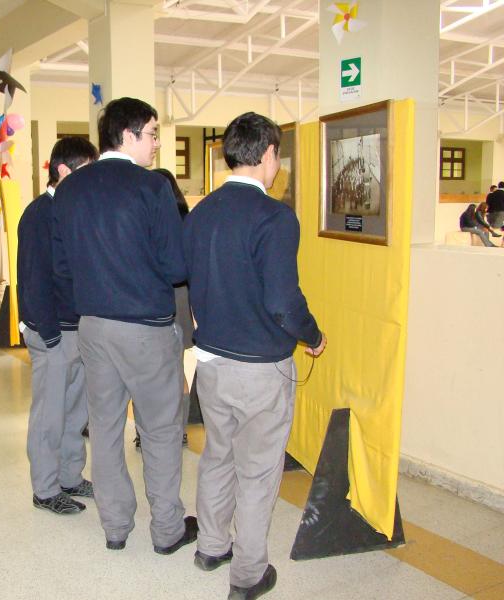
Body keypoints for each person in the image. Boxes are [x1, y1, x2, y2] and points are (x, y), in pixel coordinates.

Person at [183, 112, 326, 600]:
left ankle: (210, 545)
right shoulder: (276, 217)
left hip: (211, 364)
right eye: (277, 155)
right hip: (261, 369)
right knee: (260, 469)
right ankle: (247, 575)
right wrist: (312, 335)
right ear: (268, 154)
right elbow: (283, 300)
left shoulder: (200, 212)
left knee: (217, 456)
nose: (277, 164)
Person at [52, 97, 196, 553]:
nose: (156, 143)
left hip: (92, 326)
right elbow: (176, 267)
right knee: (160, 431)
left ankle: (115, 526)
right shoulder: (151, 188)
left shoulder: (72, 189)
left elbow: (62, 264)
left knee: (106, 427)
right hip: (146, 330)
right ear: (129, 135)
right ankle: (168, 529)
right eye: (152, 133)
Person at [17, 136, 99, 515]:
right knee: (50, 414)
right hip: (53, 332)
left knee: (75, 412)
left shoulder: (76, 210)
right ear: (62, 170)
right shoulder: (38, 214)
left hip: (79, 329)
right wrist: (48, 335)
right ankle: (45, 489)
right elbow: (32, 278)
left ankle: (69, 476)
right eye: (85, 171)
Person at [132, 167, 193, 449]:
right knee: (174, 368)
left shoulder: (145, 220)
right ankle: (176, 430)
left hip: (156, 296)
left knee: (146, 369)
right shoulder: (186, 220)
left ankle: (148, 432)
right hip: (179, 295)